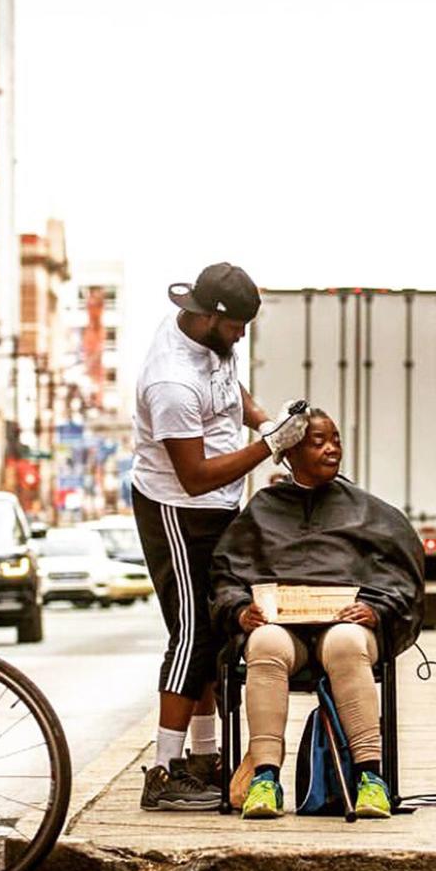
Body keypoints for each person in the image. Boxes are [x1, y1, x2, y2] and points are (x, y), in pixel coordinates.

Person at [132, 262, 308, 811]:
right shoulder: (169, 382)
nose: (242, 337)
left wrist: (264, 421)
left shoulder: (212, 342)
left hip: (219, 507)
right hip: (177, 509)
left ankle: (204, 759)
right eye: (236, 327)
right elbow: (195, 474)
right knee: (190, 637)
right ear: (208, 317)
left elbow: (231, 388)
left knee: (213, 631)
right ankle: (162, 772)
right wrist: (271, 447)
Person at [209, 410, 424, 819]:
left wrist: (376, 610)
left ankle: (370, 779)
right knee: (265, 643)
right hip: (283, 632)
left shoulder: (369, 512)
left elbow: (403, 578)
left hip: (345, 627)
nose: (332, 448)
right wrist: (240, 612)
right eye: (319, 441)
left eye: (336, 439)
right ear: (290, 452)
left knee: (344, 643)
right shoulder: (262, 510)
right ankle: (265, 780)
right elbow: (225, 577)